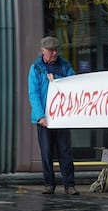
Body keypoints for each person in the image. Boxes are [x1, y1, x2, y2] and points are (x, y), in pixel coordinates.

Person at [28, 36, 79, 195]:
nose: (55, 53)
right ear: (43, 50)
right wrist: (40, 116)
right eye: (51, 50)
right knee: (46, 152)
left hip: (62, 116)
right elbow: (33, 94)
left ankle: (69, 185)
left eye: (56, 49)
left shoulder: (65, 65)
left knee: (65, 152)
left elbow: (74, 83)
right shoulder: (36, 68)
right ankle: (49, 184)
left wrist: (55, 79)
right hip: (45, 118)